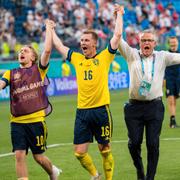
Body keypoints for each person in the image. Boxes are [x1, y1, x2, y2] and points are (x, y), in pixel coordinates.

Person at [51, 4, 124, 180]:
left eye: (86, 40)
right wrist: (51, 30)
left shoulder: (105, 57)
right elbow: (59, 46)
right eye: (81, 40)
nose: (82, 43)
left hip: (101, 111)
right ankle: (95, 175)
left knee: (105, 150)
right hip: (82, 112)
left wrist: (119, 15)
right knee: (79, 153)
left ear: (94, 43)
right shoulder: (76, 59)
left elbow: (117, 35)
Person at [118, 11, 180, 180]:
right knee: (134, 143)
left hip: (154, 107)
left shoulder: (162, 56)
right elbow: (117, 37)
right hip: (134, 108)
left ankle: (150, 178)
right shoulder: (131, 55)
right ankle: (139, 171)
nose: (146, 43)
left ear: (154, 43)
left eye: (149, 40)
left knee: (153, 144)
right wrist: (119, 16)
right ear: (140, 42)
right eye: (143, 40)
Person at [0, 20, 61, 180]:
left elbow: (47, 50)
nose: (22, 52)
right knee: (19, 155)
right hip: (17, 122)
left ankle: (53, 172)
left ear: (33, 57)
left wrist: (48, 29)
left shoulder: (38, 70)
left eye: (26, 51)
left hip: (36, 122)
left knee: (38, 157)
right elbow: (1, 85)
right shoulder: (10, 73)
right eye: (20, 50)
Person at [164, 36, 180, 128]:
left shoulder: (179, 54)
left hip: (179, 80)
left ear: (177, 43)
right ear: (169, 44)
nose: (173, 44)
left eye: (174, 43)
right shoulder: (166, 55)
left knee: (175, 100)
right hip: (169, 80)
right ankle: (172, 121)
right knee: (171, 100)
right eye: (172, 43)